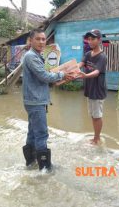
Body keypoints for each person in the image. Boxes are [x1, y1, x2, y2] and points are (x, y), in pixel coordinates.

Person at [22, 28, 73, 171]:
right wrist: (62, 74)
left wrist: (57, 75)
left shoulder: (35, 56)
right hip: (36, 101)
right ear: (30, 41)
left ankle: (31, 162)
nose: (41, 42)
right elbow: (44, 76)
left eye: (43, 39)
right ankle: (45, 169)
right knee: (41, 134)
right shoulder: (31, 56)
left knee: (33, 133)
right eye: (37, 39)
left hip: (34, 100)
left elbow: (43, 75)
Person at [78, 29, 107, 145]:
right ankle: (96, 137)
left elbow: (97, 72)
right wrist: (72, 68)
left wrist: (85, 75)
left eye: (93, 39)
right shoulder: (88, 54)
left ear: (99, 40)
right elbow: (81, 64)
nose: (90, 41)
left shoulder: (102, 56)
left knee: (97, 116)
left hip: (97, 90)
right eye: (88, 39)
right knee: (93, 115)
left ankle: (97, 138)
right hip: (89, 89)